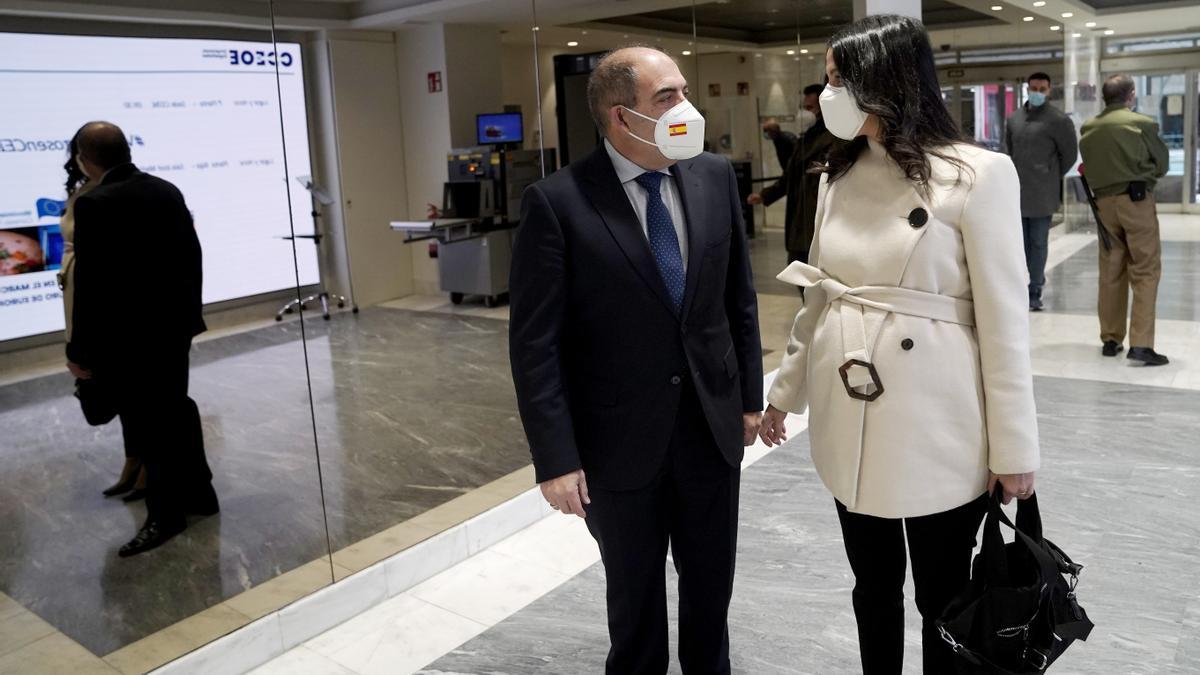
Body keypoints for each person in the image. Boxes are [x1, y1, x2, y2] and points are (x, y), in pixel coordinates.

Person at [758, 16, 1039, 674]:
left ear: (882, 82)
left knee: (943, 594)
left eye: (836, 80)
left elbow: (1004, 324)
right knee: (871, 585)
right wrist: (783, 394)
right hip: (847, 410)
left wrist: (1015, 449)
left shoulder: (977, 175)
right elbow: (818, 299)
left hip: (936, 423)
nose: (827, 95)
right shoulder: (836, 174)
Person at [509, 46, 763, 674]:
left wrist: (749, 400)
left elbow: (738, 300)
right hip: (618, 445)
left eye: (682, 90)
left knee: (711, 599)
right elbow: (535, 344)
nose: (687, 107)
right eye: (667, 97)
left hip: (710, 430)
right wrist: (557, 459)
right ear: (623, 118)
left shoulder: (712, 176)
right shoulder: (558, 203)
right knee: (635, 608)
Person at [66, 121, 218, 557]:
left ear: (84, 158)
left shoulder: (96, 203)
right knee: (176, 410)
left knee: (152, 423)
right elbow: (193, 258)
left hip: (129, 338)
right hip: (173, 327)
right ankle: (201, 496)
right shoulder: (165, 189)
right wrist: (189, 315)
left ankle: (164, 516)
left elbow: (93, 287)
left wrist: (79, 349)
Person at [59, 133, 150, 502]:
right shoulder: (83, 192)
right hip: (74, 291)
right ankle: (132, 461)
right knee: (120, 389)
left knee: (130, 389)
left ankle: (145, 467)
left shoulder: (121, 194)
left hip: (105, 304)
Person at [1079, 74, 1170, 366]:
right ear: (1130, 95)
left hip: (1103, 204)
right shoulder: (1142, 124)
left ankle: (1110, 339)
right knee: (1145, 269)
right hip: (1136, 200)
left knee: (1110, 268)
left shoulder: (1089, 128)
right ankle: (1141, 345)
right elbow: (1162, 162)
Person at [1004, 72, 1078, 311]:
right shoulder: (1014, 119)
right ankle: (1022, 283)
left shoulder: (1058, 120)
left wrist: (1050, 174)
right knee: (1021, 243)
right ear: (1026, 88)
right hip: (1017, 191)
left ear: (1049, 91)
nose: (1036, 93)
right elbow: (1008, 152)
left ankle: (1035, 287)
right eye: (1033, 88)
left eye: (1042, 89)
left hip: (1043, 192)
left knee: (1038, 241)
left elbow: (1069, 155)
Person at [749, 83, 838, 265]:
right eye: (804, 107)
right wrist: (765, 195)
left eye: (809, 107)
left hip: (816, 219)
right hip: (801, 219)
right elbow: (791, 175)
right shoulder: (806, 139)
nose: (804, 113)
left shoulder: (832, 137)